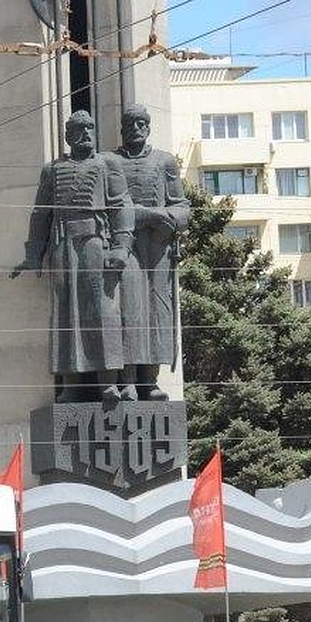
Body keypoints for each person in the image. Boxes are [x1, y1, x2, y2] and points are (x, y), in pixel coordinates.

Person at [11, 109, 131, 405]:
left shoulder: (108, 164)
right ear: (67, 136)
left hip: (96, 244)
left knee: (103, 312)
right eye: (78, 129)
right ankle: (72, 385)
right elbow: (41, 214)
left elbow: (121, 206)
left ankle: (109, 384)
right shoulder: (52, 170)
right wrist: (33, 255)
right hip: (63, 247)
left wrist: (121, 246)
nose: (86, 134)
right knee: (66, 317)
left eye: (89, 128)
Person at [107, 105, 191, 401]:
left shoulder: (164, 161)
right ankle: (127, 379)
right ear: (122, 128)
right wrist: (150, 214)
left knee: (158, 310)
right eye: (130, 123)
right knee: (130, 309)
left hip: (157, 245)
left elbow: (182, 206)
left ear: (149, 127)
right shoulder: (111, 162)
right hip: (125, 243)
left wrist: (171, 219)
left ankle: (150, 381)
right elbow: (114, 208)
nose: (136, 128)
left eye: (142, 123)